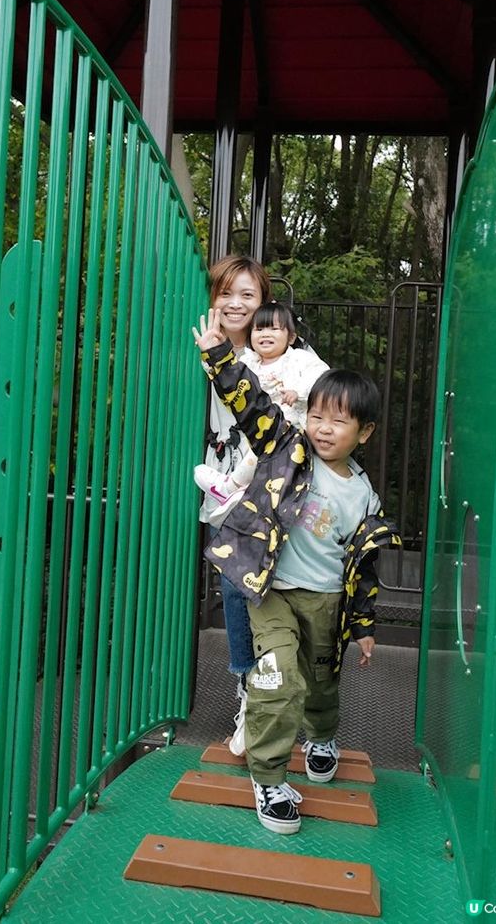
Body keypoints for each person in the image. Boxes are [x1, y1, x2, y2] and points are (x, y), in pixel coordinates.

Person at [193, 308, 401, 836]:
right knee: (277, 680)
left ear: (364, 432)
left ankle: (322, 735)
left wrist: (366, 625)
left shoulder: (364, 496)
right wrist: (220, 356)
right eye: (317, 415)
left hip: (326, 603)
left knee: (321, 686)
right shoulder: (287, 450)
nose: (323, 428)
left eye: (339, 420)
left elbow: (365, 568)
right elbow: (252, 405)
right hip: (273, 593)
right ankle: (267, 778)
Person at [200, 255, 272, 755]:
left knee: (245, 585)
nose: (236, 303)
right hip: (214, 481)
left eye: (247, 294)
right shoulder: (199, 346)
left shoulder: (279, 349)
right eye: (227, 292)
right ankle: (251, 687)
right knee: (233, 586)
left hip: (262, 485)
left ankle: (254, 689)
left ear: (263, 301)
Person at [194, 301, 329, 525]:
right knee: (254, 459)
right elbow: (223, 376)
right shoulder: (249, 362)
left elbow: (322, 377)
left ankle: (229, 487)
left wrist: (300, 392)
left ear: (291, 337)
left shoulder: (298, 360)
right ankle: (240, 494)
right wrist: (212, 351)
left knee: (265, 455)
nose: (265, 334)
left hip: (287, 435)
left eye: (274, 329)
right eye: (259, 329)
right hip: (255, 434)